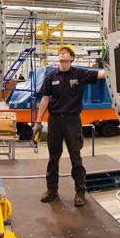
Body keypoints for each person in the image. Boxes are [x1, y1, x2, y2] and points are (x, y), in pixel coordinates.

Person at [33, 45, 106, 206]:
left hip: (72, 121)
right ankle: (51, 189)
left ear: (72, 58)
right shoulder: (51, 76)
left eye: (66, 52)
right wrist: (38, 122)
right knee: (53, 157)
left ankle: (80, 191)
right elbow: (45, 99)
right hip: (55, 121)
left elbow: (102, 74)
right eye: (60, 52)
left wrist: (112, 61)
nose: (62, 53)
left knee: (75, 157)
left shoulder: (79, 73)